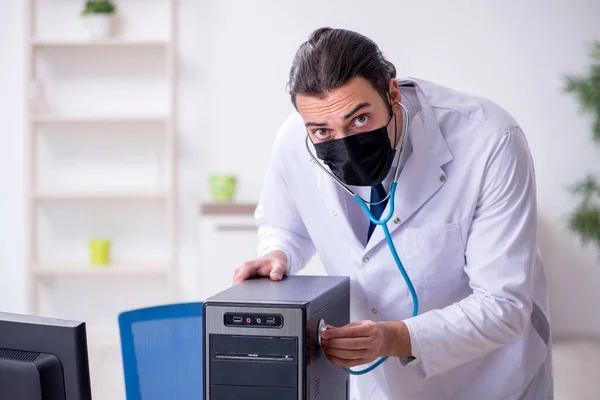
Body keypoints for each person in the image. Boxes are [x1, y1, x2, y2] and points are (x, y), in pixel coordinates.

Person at [233, 27, 553, 400]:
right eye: (322, 131)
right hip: (374, 378)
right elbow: (283, 224)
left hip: (485, 376)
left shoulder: (490, 141)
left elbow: (503, 304)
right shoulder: (295, 139)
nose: (343, 143)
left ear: (392, 92)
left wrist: (396, 336)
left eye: (359, 120)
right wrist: (277, 253)